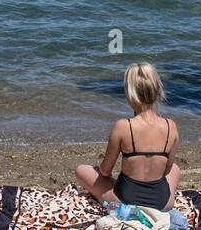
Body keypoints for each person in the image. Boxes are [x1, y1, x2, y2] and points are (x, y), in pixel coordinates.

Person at [75, 62, 179, 211]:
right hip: (162, 204)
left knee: (82, 170)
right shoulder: (171, 126)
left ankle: (119, 200)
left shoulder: (123, 126)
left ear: (131, 94)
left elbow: (105, 171)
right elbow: (167, 170)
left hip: (126, 203)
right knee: (175, 168)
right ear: (157, 91)